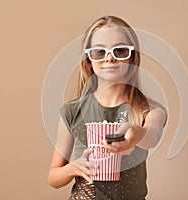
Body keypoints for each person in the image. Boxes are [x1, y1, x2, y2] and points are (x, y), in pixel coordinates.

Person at [48, 16, 167, 199]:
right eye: (99, 52)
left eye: (120, 51)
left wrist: (135, 134)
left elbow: (152, 136)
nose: (110, 58)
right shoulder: (72, 112)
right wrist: (74, 167)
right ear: (89, 60)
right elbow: (53, 177)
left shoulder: (148, 109)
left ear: (132, 58)